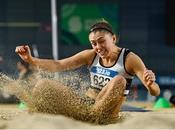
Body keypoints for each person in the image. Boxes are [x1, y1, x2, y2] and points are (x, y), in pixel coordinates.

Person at [15, 19, 160, 124]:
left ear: (113, 38)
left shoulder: (130, 59)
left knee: (119, 80)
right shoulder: (91, 55)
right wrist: (31, 60)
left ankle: (91, 118)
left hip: (106, 114)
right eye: (94, 43)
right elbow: (58, 65)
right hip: (85, 106)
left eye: (102, 41)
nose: (98, 47)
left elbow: (155, 92)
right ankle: (69, 116)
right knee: (43, 85)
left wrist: (151, 83)